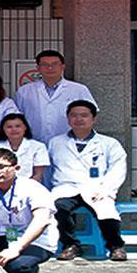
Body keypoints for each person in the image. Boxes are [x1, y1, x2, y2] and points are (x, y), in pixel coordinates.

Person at [48, 100, 127, 261]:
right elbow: (48, 169)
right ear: (68, 119)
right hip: (66, 187)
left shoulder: (109, 143)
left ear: (94, 119)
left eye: (84, 115)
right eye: (74, 115)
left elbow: (118, 169)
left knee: (106, 210)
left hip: (97, 187)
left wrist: (106, 189)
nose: (79, 119)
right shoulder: (55, 142)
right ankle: (71, 245)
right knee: (57, 207)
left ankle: (116, 246)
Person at [13, 50, 96, 145]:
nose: (50, 68)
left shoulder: (79, 89)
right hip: (33, 143)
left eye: (55, 64)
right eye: (45, 65)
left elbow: (91, 115)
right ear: (38, 68)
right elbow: (16, 118)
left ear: (63, 67)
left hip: (68, 144)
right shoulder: (24, 91)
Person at [0, 112, 50, 183]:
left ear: (25, 127)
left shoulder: (38, 147)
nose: (14, 129)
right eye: (9, 127)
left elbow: (38, 175)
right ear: (3, 130)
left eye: (18, 126)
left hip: (31, 185)